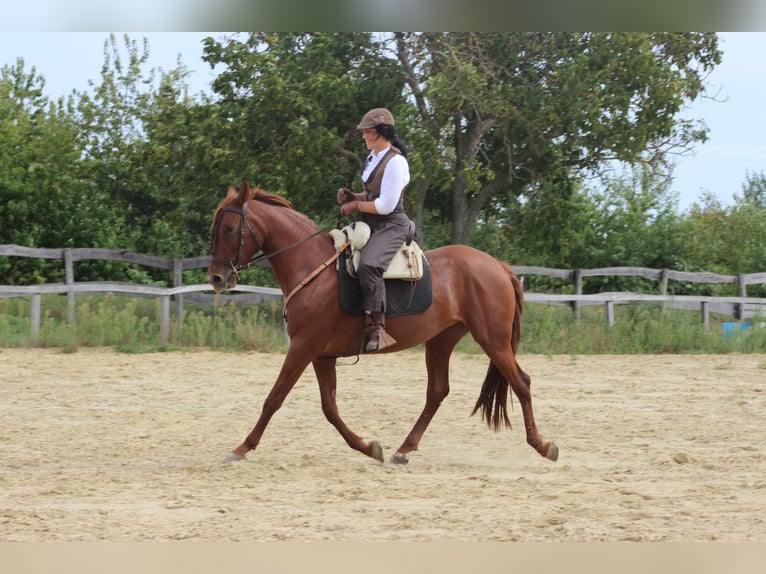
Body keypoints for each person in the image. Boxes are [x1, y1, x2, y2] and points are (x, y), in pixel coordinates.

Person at [337, 107, 411, 353]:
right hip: (372, 223)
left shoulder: (396, 162)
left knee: (369, 264)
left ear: (381, 133)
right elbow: (373, 194)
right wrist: (353, 195)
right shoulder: (374, 157)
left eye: (367, 132)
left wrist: (356, 205)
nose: (363, 137)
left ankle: (378, 327)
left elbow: (386, 204)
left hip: (391, 224)